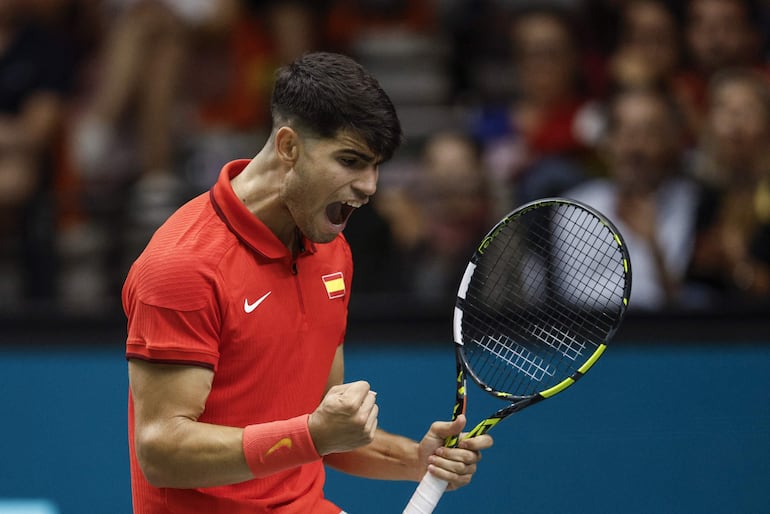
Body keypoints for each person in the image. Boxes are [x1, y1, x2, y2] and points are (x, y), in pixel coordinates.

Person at [122, 52, 493, 514]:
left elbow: (326, 431)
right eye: (351, 160)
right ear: (289, 147)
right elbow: (161, 451)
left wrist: (413, 459)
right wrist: (312, 434)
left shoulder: (333, 250)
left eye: (376, 165)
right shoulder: (183, 266)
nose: (370, 186)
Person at [564, 86, 700, 310]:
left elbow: (688, 305)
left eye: (649, 133)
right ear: (607, 142)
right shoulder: (574, 207)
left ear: (672, 142)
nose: (636, 147)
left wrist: (652, 244)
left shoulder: (692, 204)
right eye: (626, 132)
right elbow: (565, 300)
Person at [683, 68, 770, 307]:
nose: (734, 121)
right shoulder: (702, 191)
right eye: (724, 109)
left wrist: (738, 265)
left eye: (746, 110)